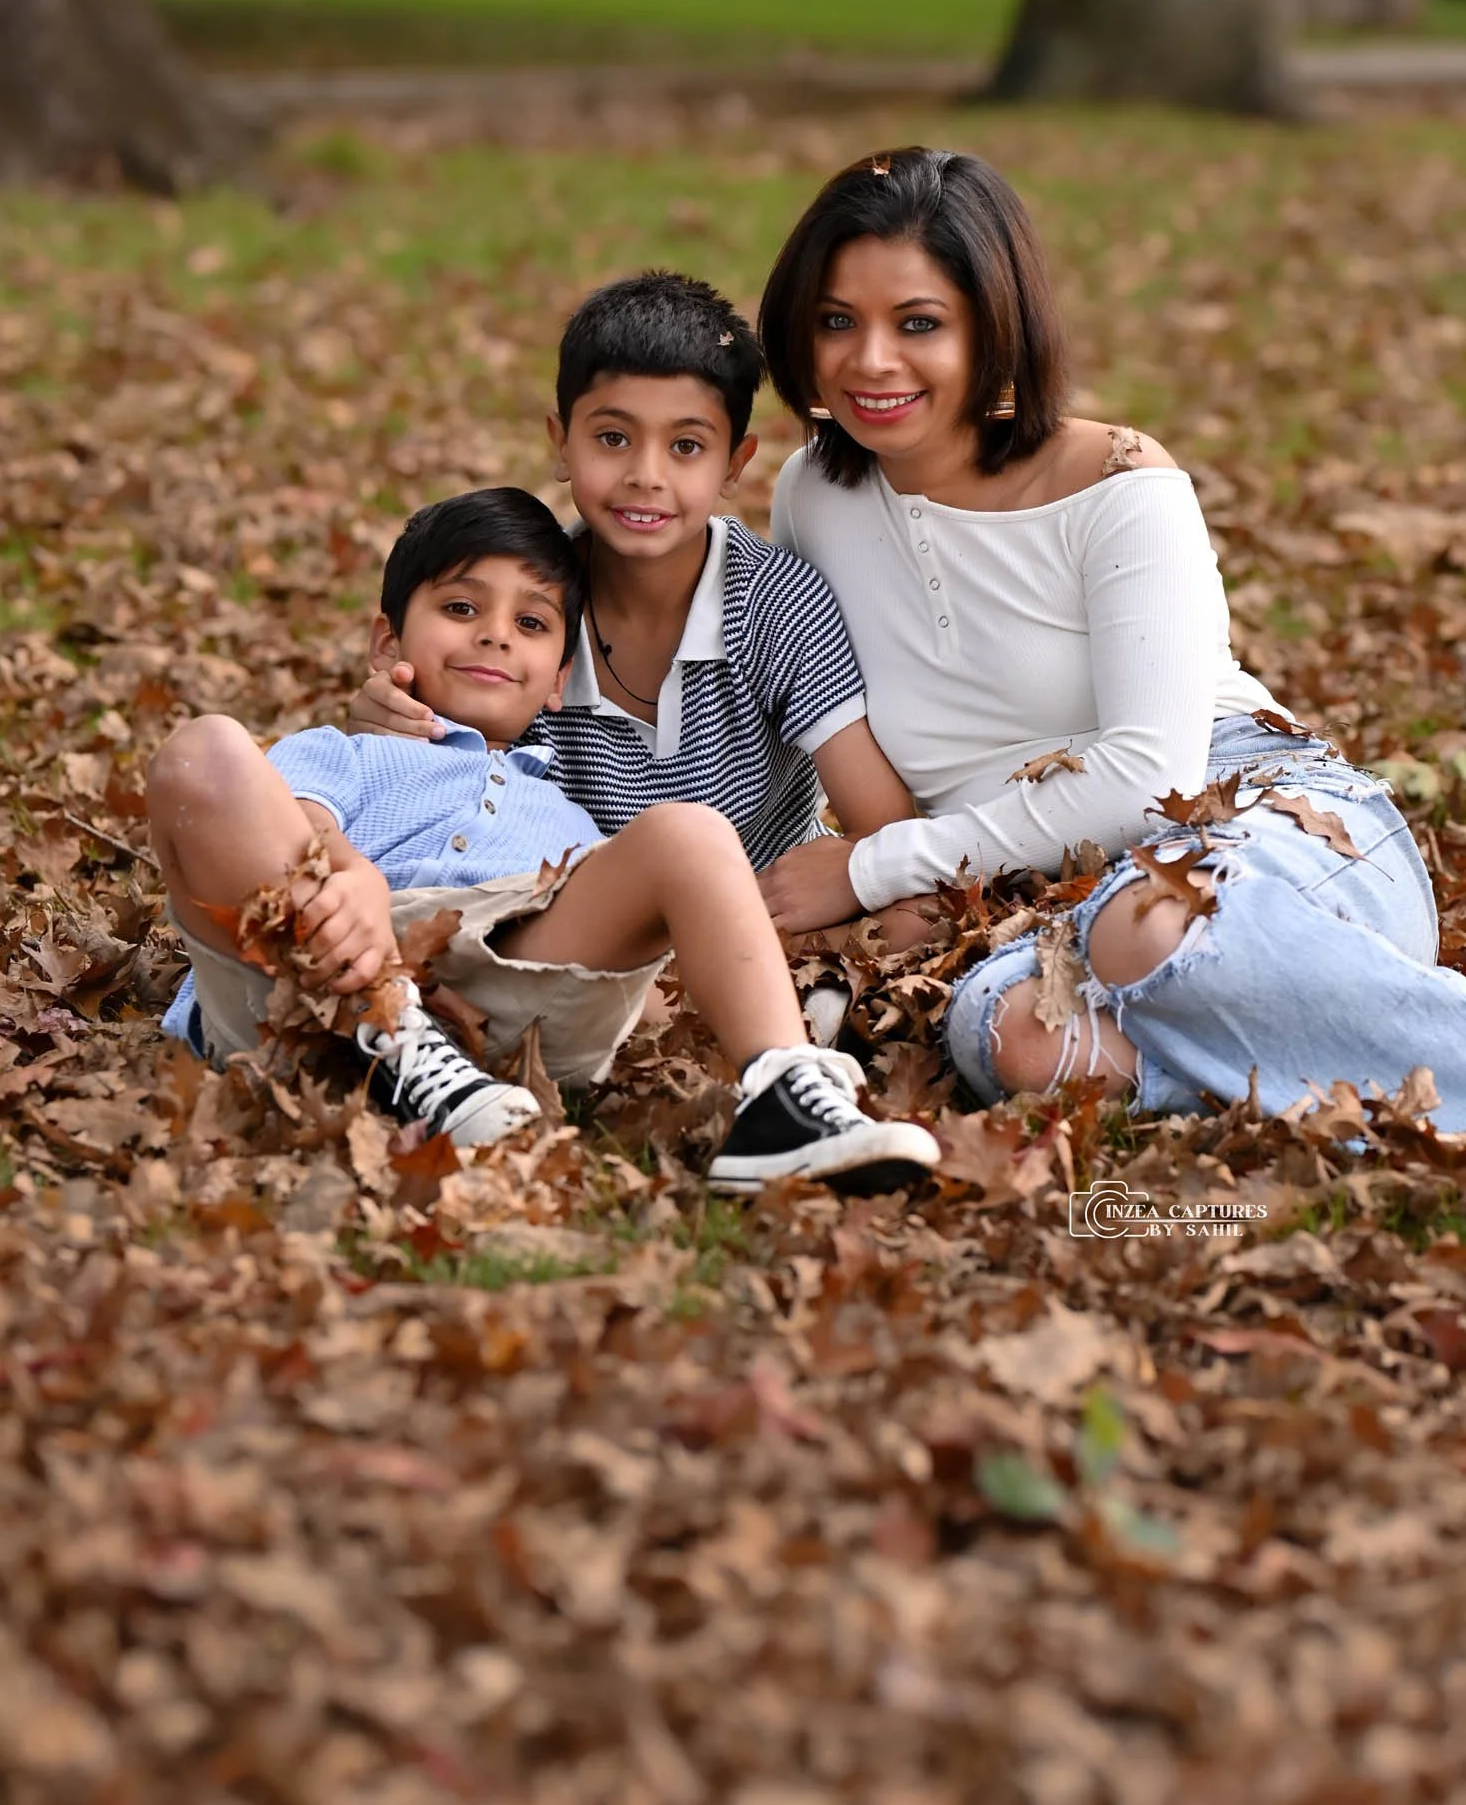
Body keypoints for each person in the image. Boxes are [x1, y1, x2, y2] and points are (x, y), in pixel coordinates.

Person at [755, 146, 1466, 1127]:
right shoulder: (814, 494)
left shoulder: (1117, 481)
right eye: (838, 321)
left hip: (1257, 817)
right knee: (1021, 1041)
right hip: (1026, 893)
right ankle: (1332, 1075)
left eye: (918, 323)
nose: (869, 361)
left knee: (1149, 925)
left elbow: (1143, 779)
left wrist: (873, 868)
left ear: (994, 328)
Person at [148, 488, 941, 1194]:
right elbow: (289, 818)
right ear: (387, 645)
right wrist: (348, 871)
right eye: (461, 609)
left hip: (510, 992)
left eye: (530, 624)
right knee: (209, 750)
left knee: (691, 833)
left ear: (561, 678)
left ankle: (784, 1094)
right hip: (313, 979)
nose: (495, 637)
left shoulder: (567, 788)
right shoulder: (353, 750)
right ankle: (395, 1039)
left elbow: (648, 925)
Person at [347, 273, 915, 874]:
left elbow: (881, 824)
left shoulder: (777, 603)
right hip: (584, 929)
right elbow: (445, 802)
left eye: (687, 447)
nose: (646, 474)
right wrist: (386, 732)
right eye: (613, 437)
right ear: (562, 444)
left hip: (770, 915)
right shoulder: (524, 619)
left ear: (735, 464)